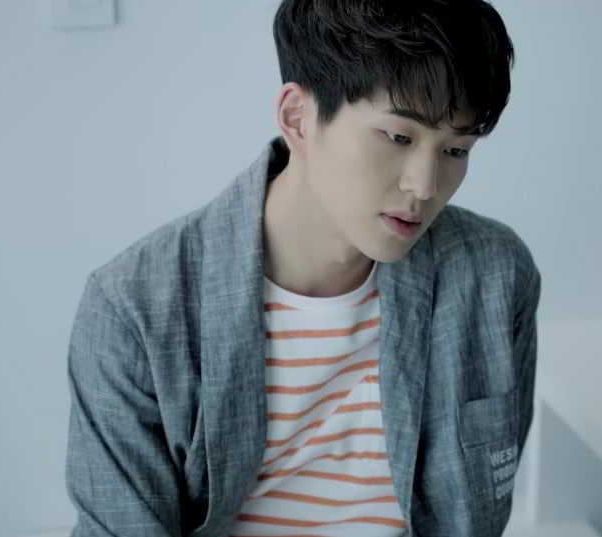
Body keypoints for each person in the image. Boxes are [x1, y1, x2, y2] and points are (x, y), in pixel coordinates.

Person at [64, 1, 540, 536]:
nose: (425, 186)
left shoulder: (495, 275)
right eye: (399, 137)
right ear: (298, 118)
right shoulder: (135, 308)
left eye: (456, 150)